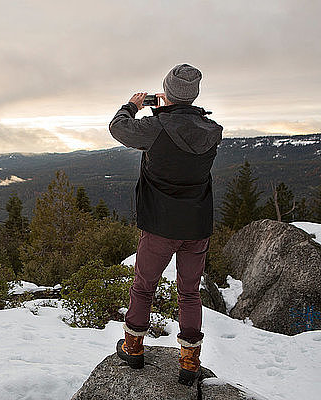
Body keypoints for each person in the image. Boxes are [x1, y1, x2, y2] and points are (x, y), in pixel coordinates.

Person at [108, 63, 223, 386]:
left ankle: (133, 348)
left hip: (159, 225)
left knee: (144, 287)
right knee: (189, 293)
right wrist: (171, 109)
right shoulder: (213, 130)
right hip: (197, 225)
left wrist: (133, 105)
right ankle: (189, 361)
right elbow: (185, 132)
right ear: (194, 95)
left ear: (168, 92)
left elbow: (119, 128)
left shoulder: (155, 129)